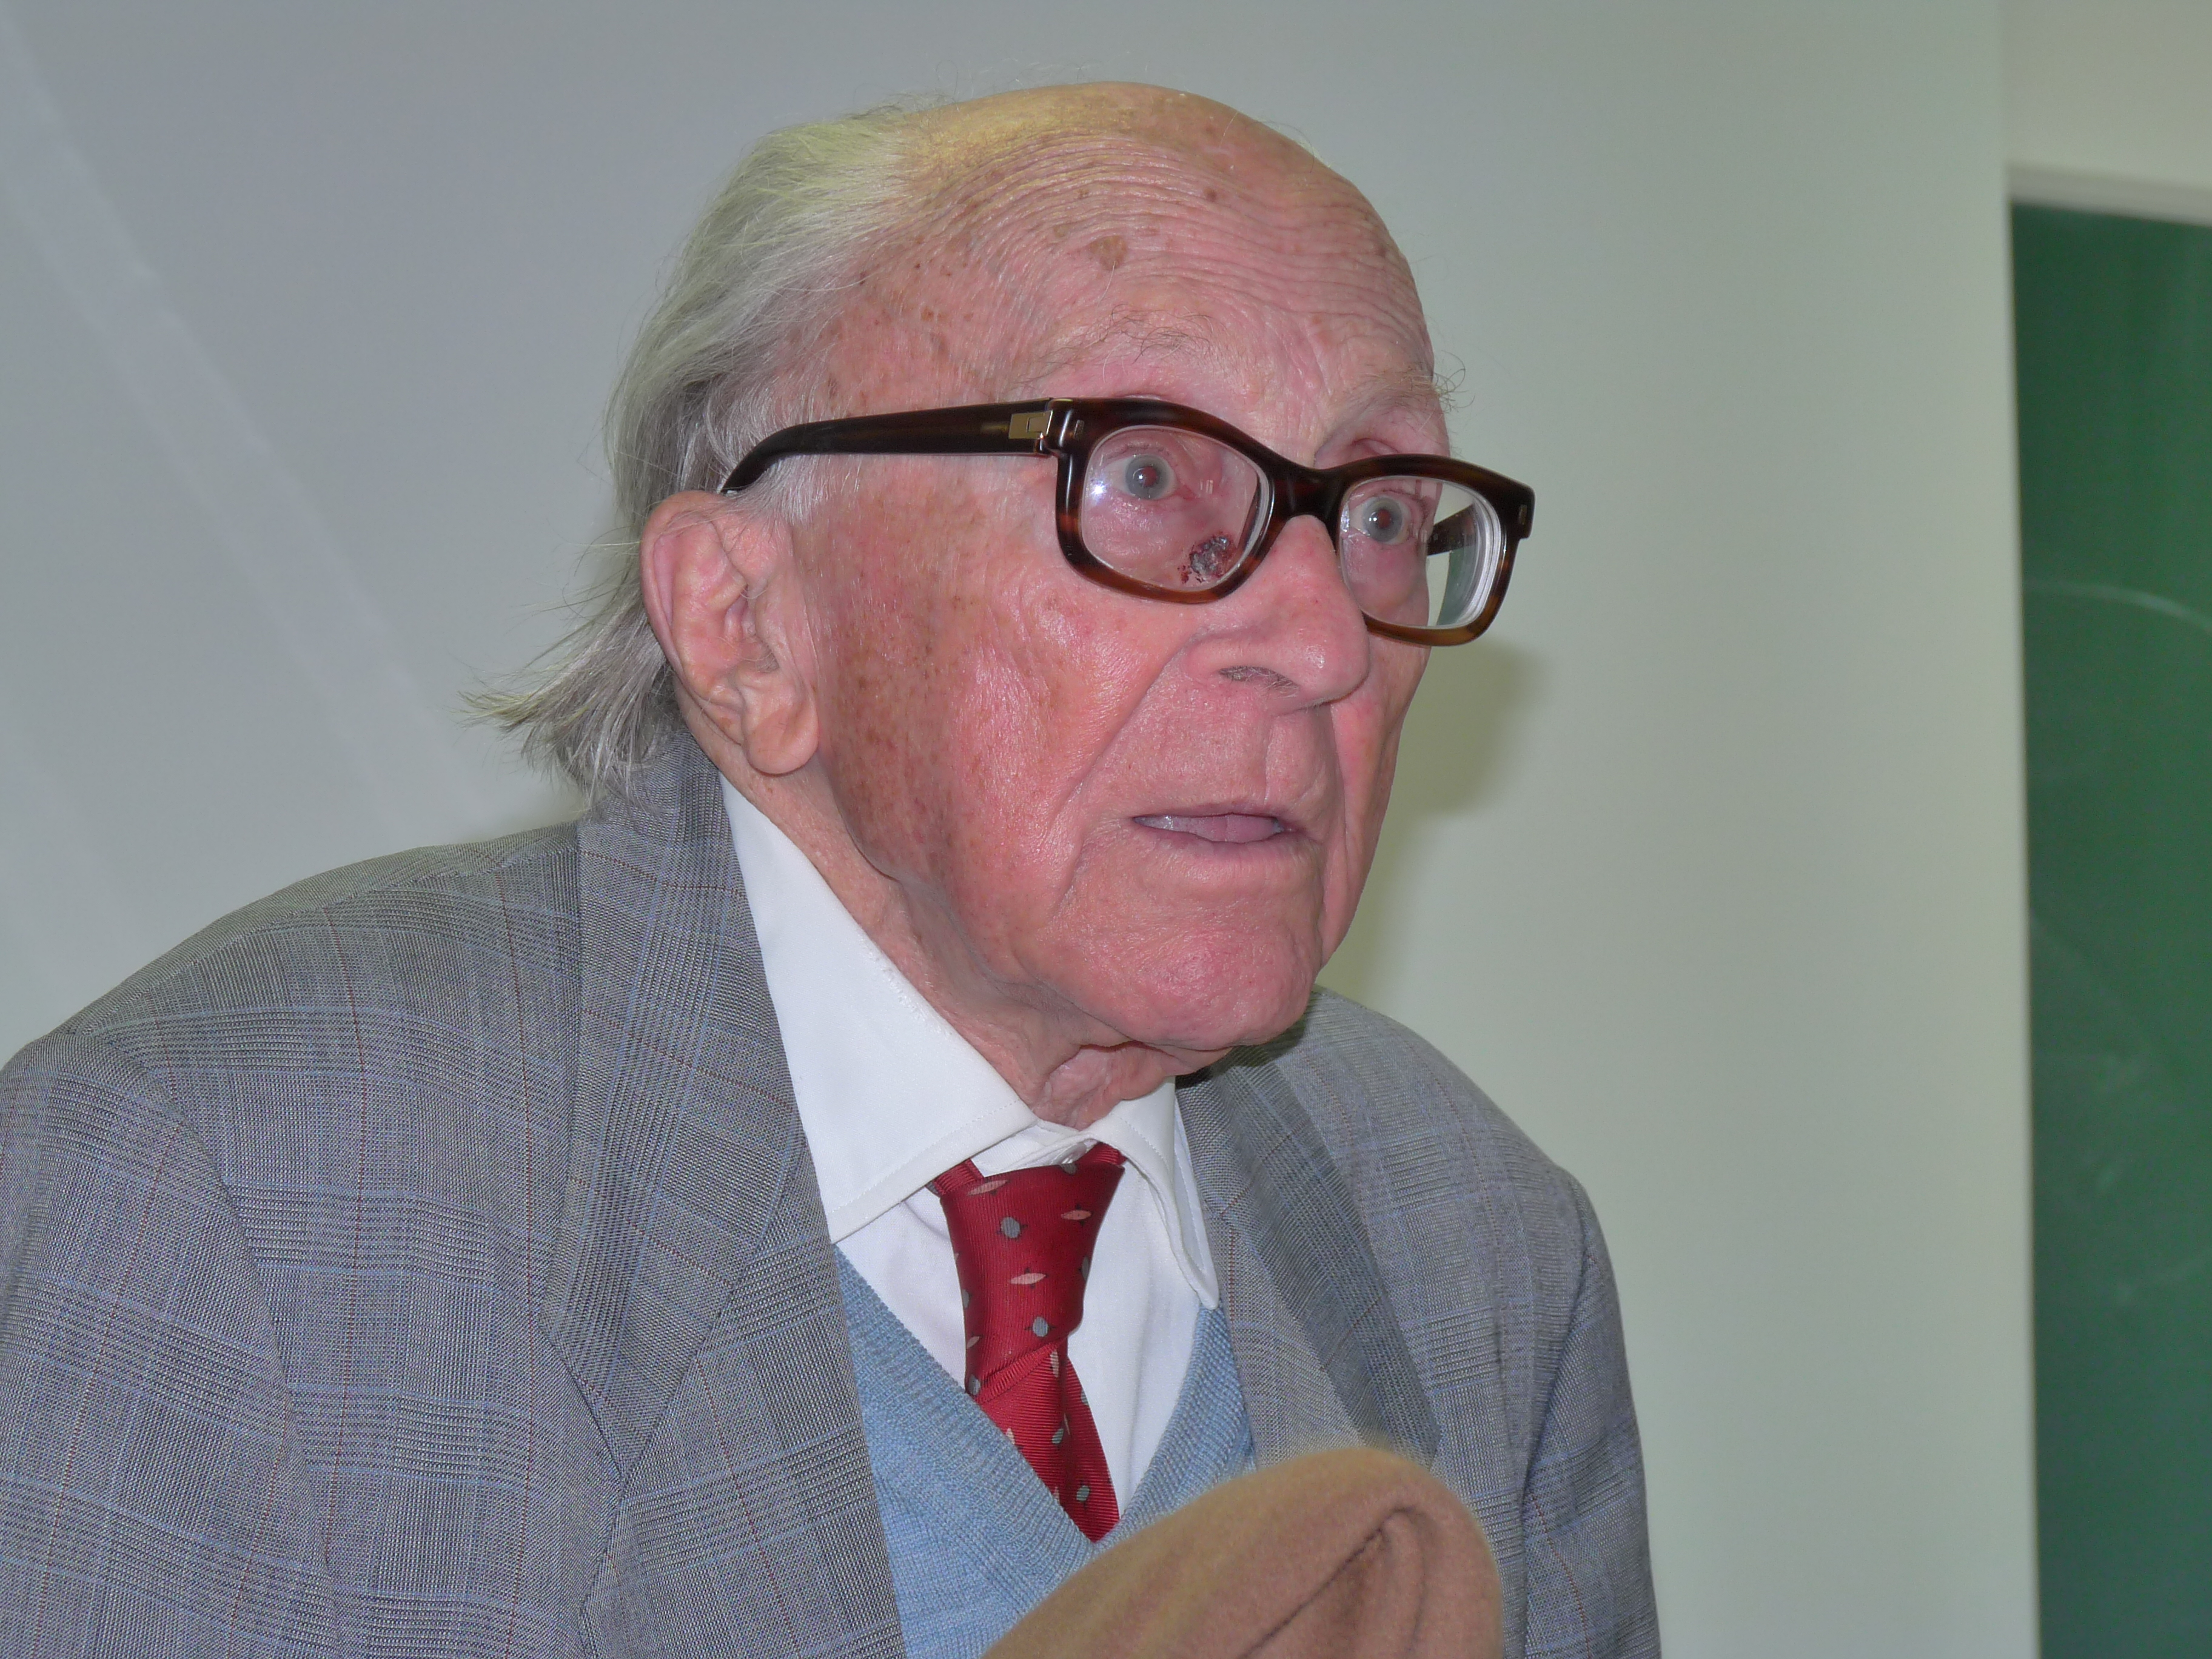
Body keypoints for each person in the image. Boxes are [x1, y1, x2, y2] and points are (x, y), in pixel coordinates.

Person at [0, 84, 1656, 1658]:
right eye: (1145, 478)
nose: (1322, 641)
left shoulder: (1474, 1242)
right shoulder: (216, 1190)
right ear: (746, 625)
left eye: (1380, 516)